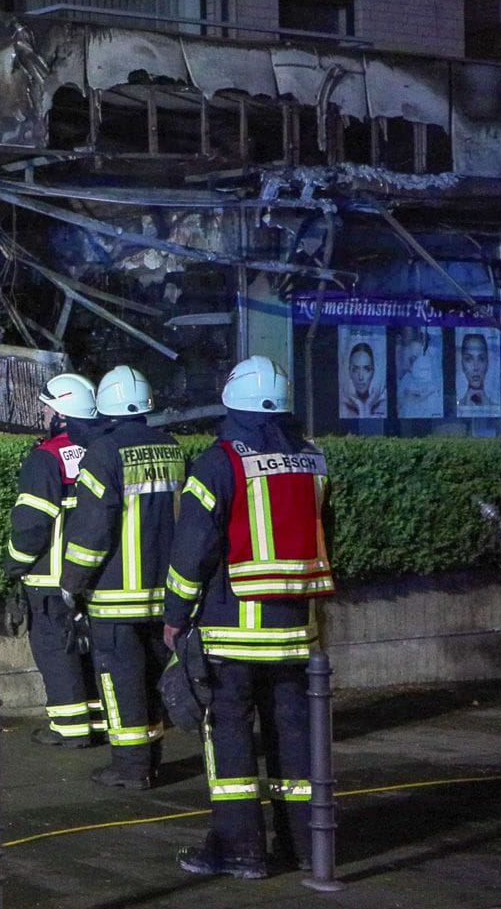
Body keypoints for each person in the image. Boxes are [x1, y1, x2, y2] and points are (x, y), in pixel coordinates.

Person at [163, 355, 336, 879]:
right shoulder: (314, 459)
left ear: (231, 403)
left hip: (232, 629)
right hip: (296, 632)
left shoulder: (219, 462)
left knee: (231, 741)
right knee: (296, 740)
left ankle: (242, 853)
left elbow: (194, 547)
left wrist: (175, 615)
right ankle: (307, 848)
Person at [60, 365, 184, 790]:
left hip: (115, 598)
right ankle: (152, 761)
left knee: (120, 682)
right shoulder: (171, 447)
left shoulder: (104, 453)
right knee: (151, 679)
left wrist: (71, 583)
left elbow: (92, 531)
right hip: (164, 593)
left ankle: (131, 770)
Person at [4, 372, 105, 747]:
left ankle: (71, 728)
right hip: (95, 573)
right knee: (90, 648)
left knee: (55, 649)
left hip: (49, 576)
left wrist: (14, 564)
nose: (43, 412)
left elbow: (31, 525)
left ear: (60, 413)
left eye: (47, 406)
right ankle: (98, 721)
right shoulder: (102, 451)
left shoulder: (44, 459)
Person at [339, 342, 385, 419]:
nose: (361, 377)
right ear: (349, 371)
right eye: (355, 369)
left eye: (367, 369)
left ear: (373, 371)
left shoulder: (384, 403)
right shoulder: (342, 405)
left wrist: (367, 406)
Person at [459, 332, 492, 410]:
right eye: (469, 359)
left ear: (487, 363)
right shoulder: (456, 408)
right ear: (462, 364)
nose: (475, 367)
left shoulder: (497, 408)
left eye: (481, 359)